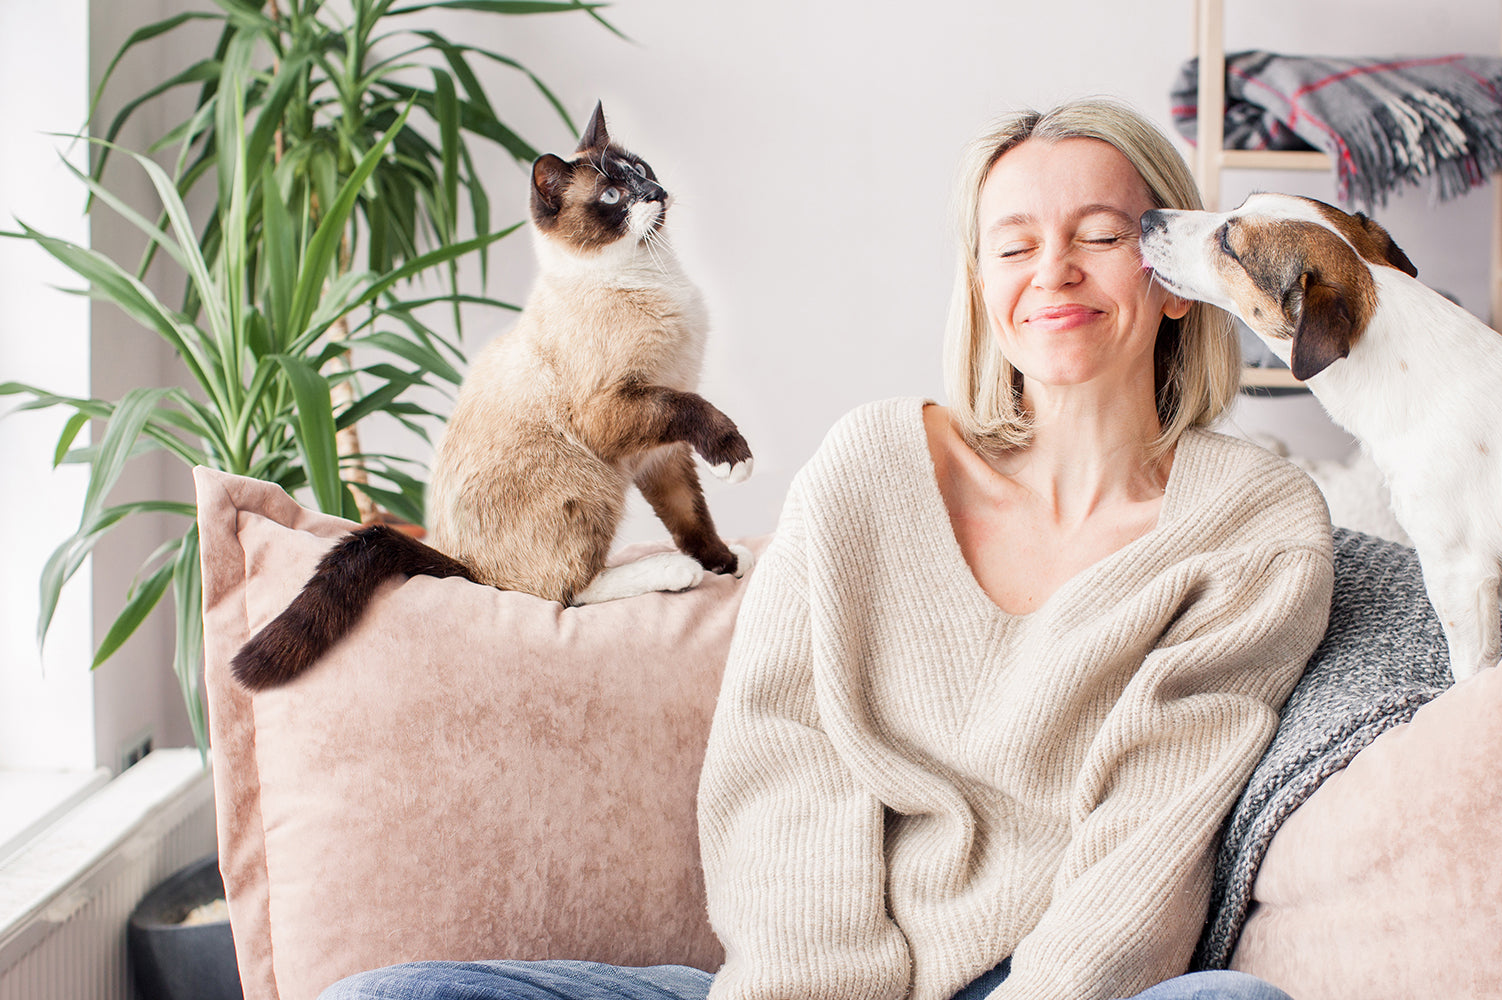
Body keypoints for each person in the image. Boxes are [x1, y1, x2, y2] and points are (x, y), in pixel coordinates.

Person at [322, 97, 1332, 1000]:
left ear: (1173, 278)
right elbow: (783, 764)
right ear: (981, 287)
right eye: (1013, 245)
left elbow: (1152, 836)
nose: (1054, 270)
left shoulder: (1255, 526)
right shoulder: (873, 466)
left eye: (1101, 235)